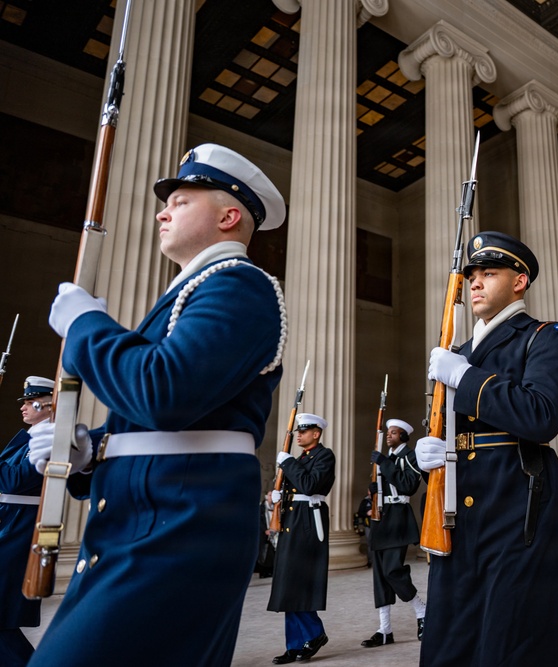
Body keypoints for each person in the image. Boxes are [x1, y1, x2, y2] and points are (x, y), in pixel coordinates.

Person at [27, 143, 287, 667]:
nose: (161, 212)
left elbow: (162, 393)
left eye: (181, 201)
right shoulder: (194, 289)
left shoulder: (240, 286)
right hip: (151, 521)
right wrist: (91, 453)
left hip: (177, 526)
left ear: (229, 216)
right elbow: (164, 417)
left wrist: (85, 326)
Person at [415, 231, 558, 666]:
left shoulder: (544, 337)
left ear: (519, 281)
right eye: (472, 276)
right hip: (460, 517)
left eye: (489, 273)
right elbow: (447, 426)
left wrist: (463, 378)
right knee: (456, 637)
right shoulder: (461, 351)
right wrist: (427, 452)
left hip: (519, 506)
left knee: (520, 636)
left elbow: (543, 414)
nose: (476, 283)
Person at [267, 413, 336, 664]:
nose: (298, 435)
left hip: (308, 522)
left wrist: (287, 464)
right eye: (297, 431)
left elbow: (309, 485)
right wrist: (276, 497)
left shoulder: (324, 456)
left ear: (316, 433)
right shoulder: (299, 459)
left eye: (303, 431)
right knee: (288, 584)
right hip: (292, 523)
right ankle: (295, 645)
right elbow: (293, 488)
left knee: (300, 582)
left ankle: (314, 633)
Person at [0, 377, 54, 666]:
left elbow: (14, 481)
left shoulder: (50, 438)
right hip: (9, 525)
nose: (22, 407)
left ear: (47, 404)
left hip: (17, 531)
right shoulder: (32, 437)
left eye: (29, 401)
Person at [362, 418, 427, 648]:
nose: (389, 435)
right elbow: (386, 485)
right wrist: (374, 489)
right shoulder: (387, 459)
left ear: (404, 436)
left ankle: (422, 612)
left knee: (393, 571)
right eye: (388, 432)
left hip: (398, 517)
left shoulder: (409, 457)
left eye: (394, 432)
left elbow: (408, 485)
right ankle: (385, 629)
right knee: (380, 575)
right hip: (383, 518)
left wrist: (384, 464)